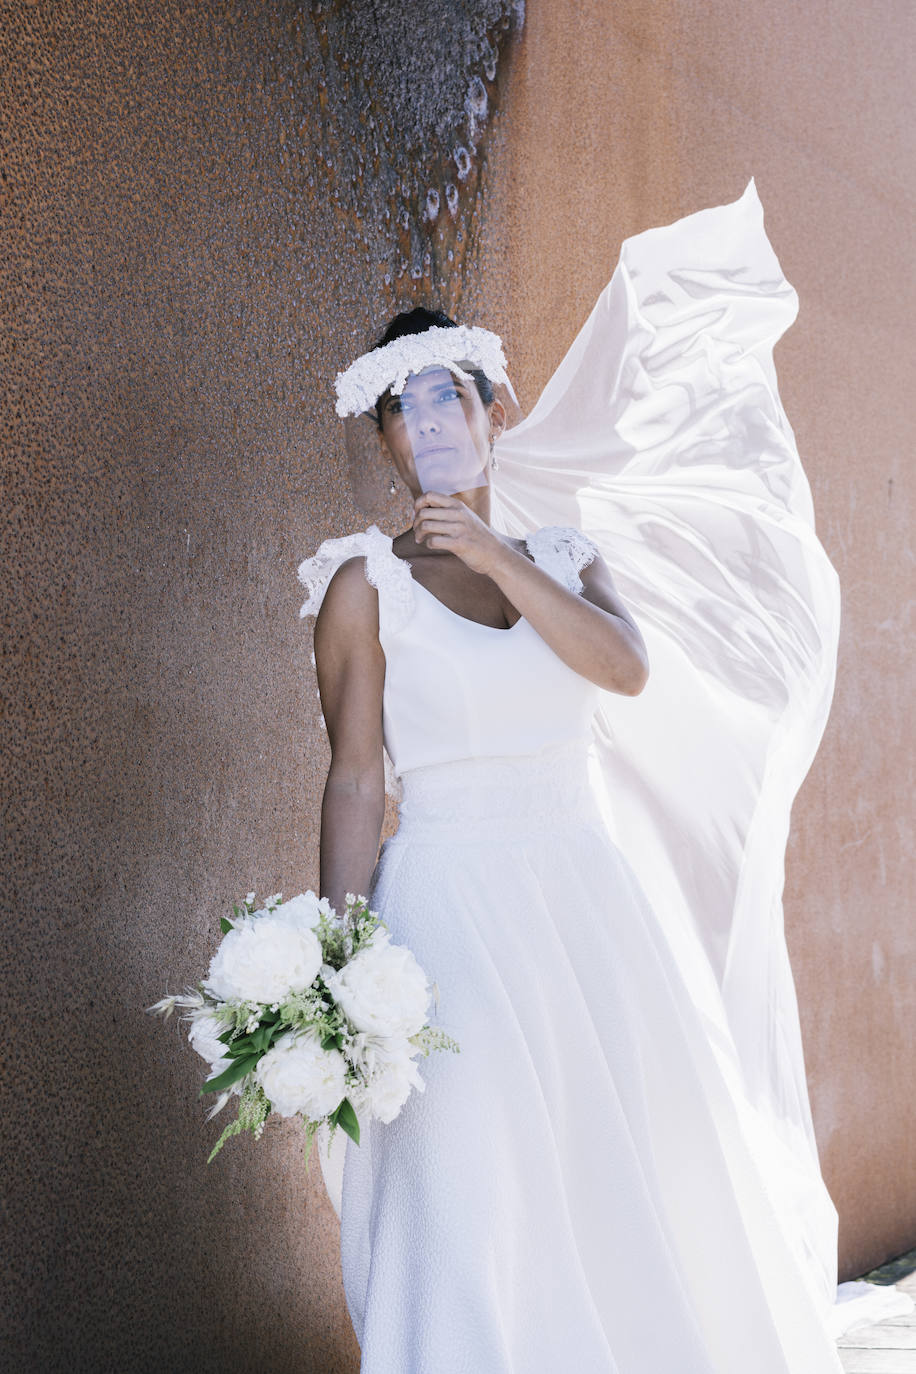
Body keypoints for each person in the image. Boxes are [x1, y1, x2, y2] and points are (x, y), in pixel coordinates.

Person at [298, 183, 851, 1371]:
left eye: (446, 396)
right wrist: (343, 960)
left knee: (621, 1175)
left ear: (495, 413)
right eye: (401, 408)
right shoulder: (358, 587)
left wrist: (499, 551)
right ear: (384, 438)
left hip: (587, 904)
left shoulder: (566, 557)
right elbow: (354, 781)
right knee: (465, 1185)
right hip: (445, 910)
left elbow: (625, 669)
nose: (426, 422)